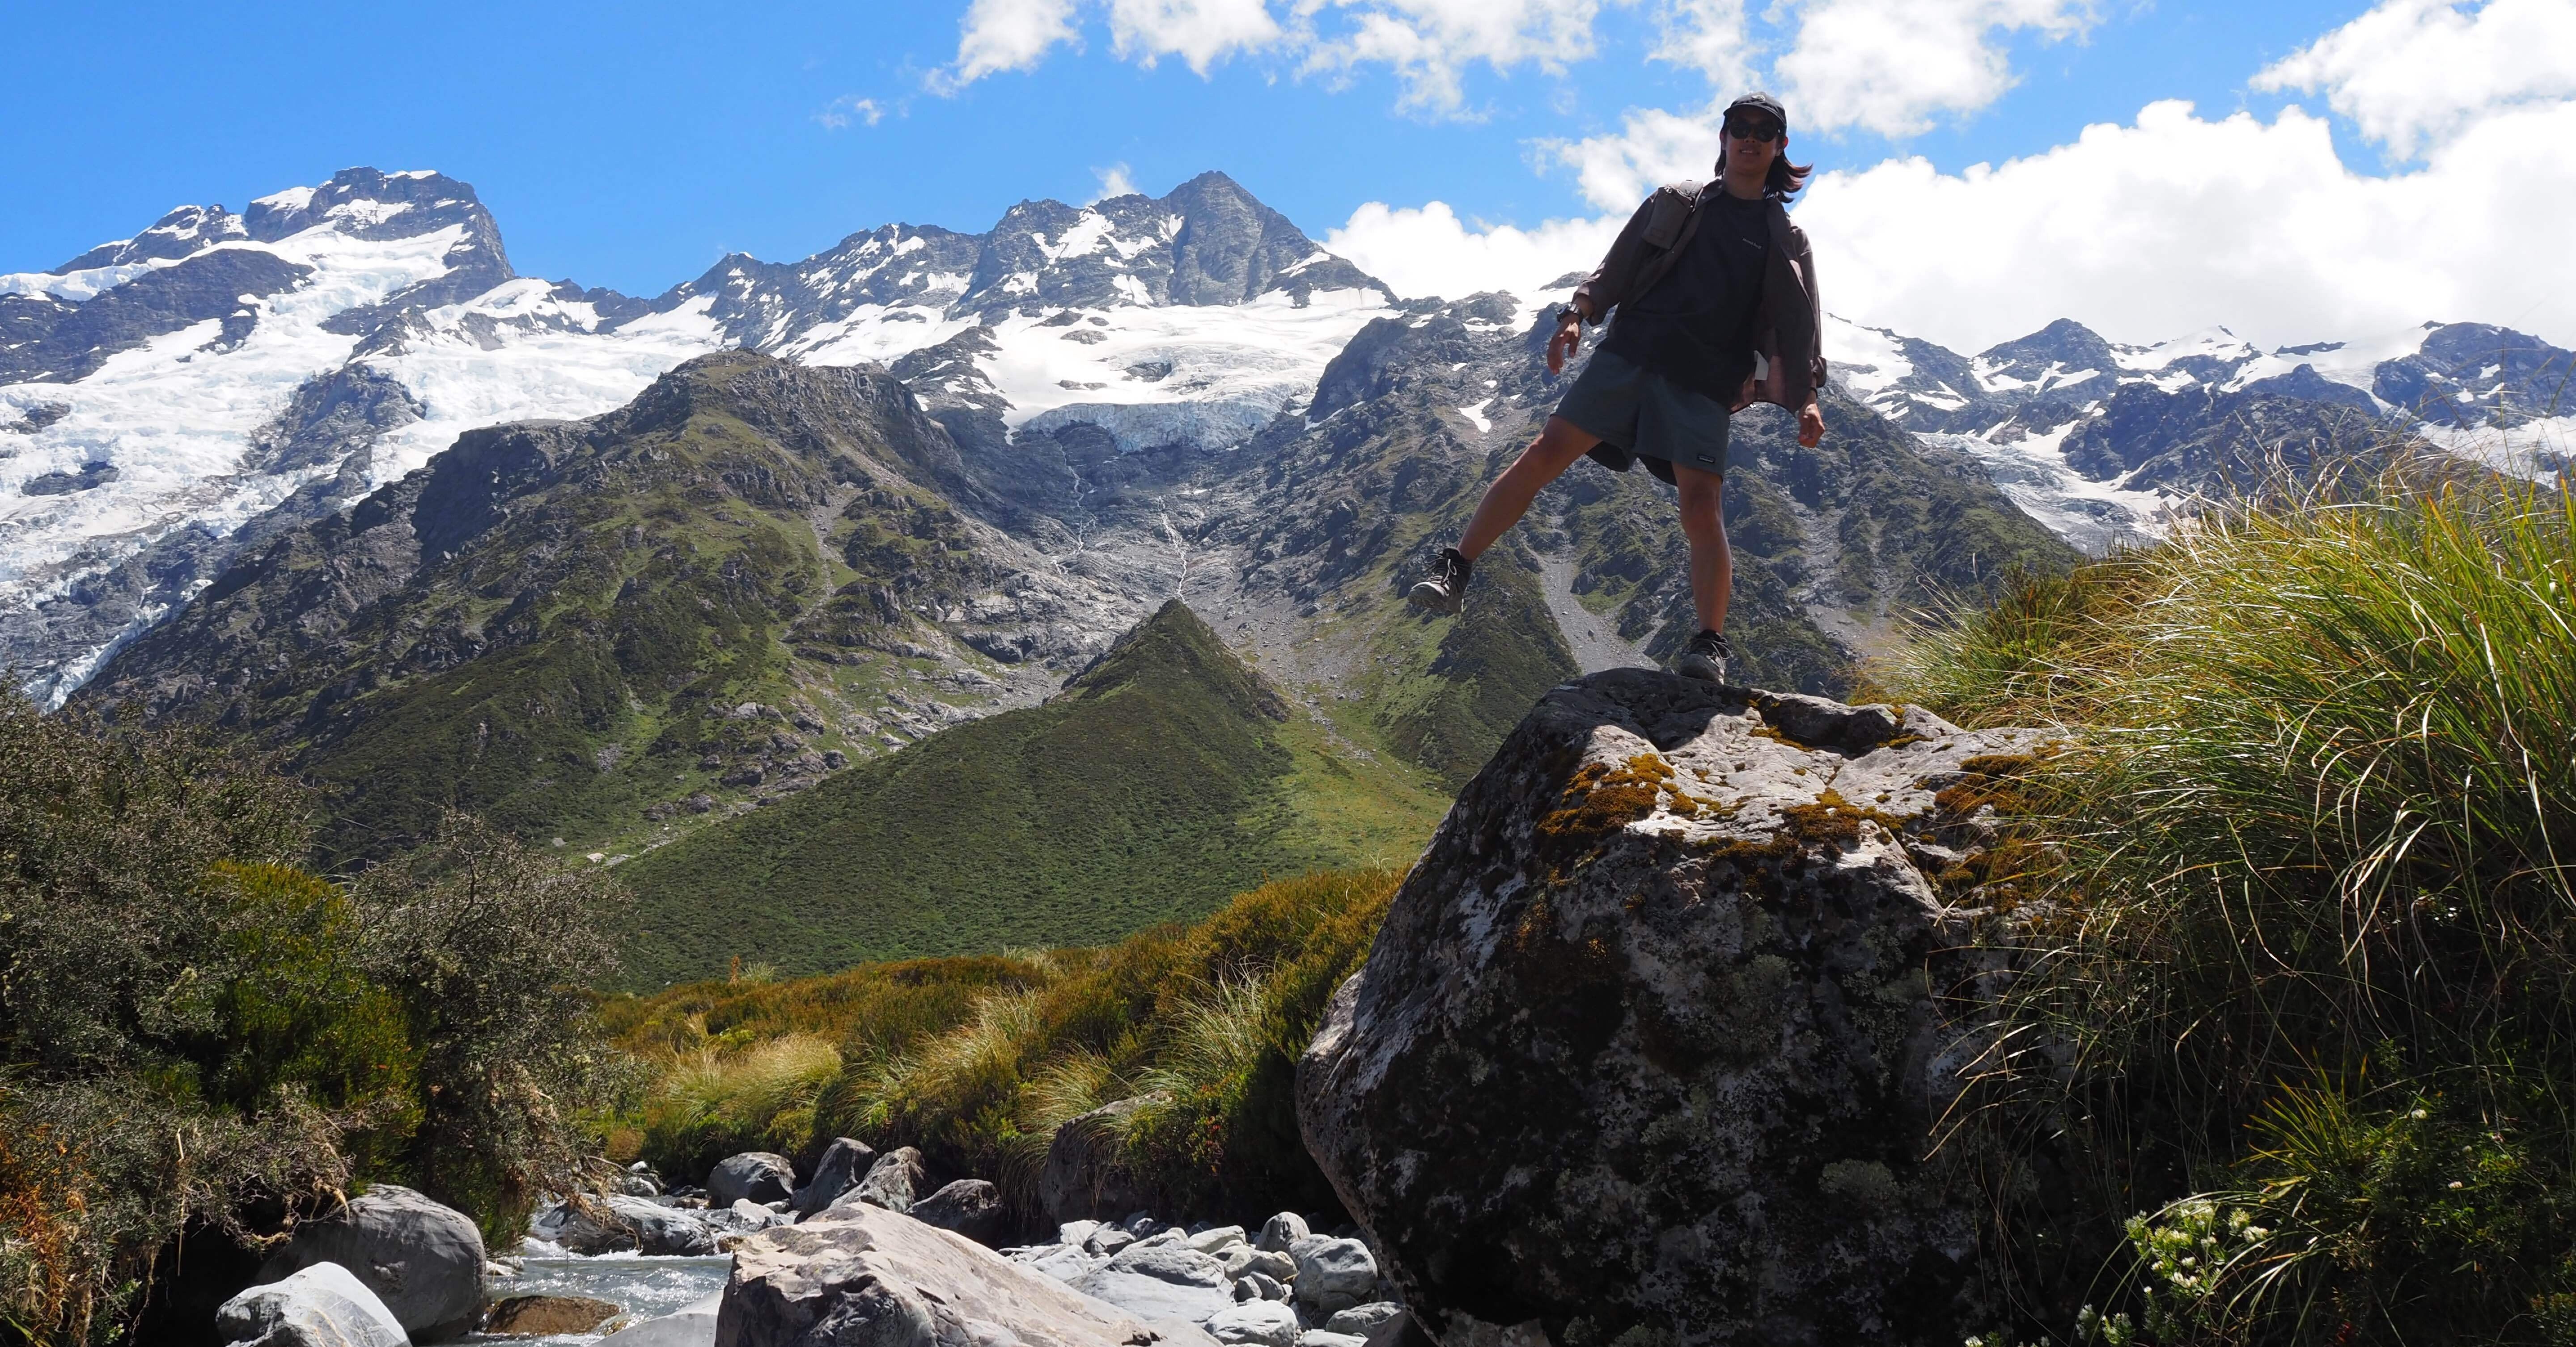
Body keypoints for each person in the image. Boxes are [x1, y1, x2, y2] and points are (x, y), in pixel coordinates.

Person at [1407, 91, 1827, 684]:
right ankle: (1455, 568)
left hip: (1703, 379)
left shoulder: (1785, 239)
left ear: (1781, 147)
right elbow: (1617, 266)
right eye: (1740, 127)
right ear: (1723, 137)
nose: (1750, 137)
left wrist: (1807, 397)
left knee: (1701, 507)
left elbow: (1800, 323)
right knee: (1544, 453)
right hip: (1632, 355)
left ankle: (1709, 646)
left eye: (1764, 130)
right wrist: (1576, 315)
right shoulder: (1678, 202)